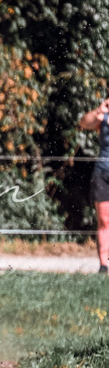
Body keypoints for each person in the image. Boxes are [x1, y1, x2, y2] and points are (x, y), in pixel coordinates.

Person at [80, 96, 109, 273]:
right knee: (104, 221)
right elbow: (84, 122)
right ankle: (104, 264)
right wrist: (100, 110)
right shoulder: (102, 116)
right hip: (103, 173)